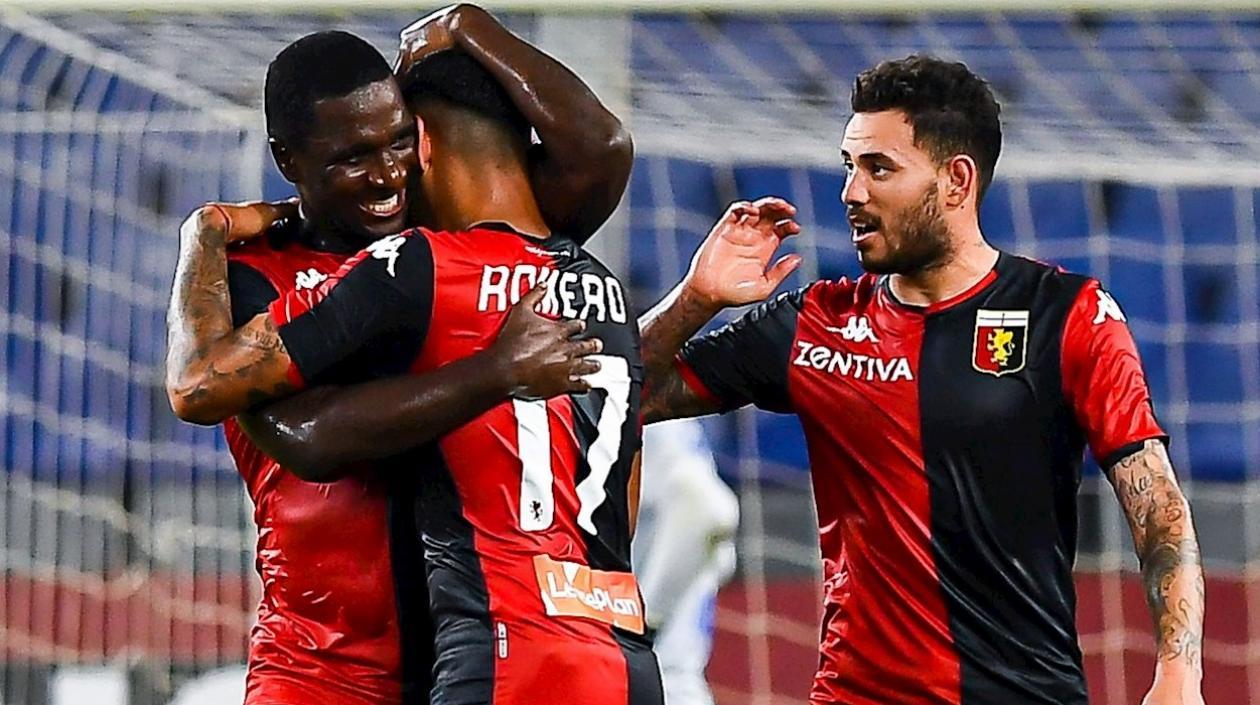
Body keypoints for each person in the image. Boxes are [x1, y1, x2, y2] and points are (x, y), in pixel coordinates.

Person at [637, 56, 1205, 705]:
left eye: (879, 168)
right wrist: (695, 300)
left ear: (956, 180)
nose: (852, 191)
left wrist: (1179, 673)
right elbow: (624, 396)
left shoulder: (1066, 314)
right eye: (849, 165)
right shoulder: (816, 321)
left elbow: (1158, 507)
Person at [165, 47, 696, 705]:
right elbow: (286, 429)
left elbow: (602, 157)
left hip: (467, 654)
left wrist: (466, 23)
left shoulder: (442, 253)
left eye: (398, 143)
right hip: (320, 669)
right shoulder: (255, 277)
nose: (388, 174)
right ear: (288, 160)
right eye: (354, 156)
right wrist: (202, 233)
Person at [632, 419, 738, 705]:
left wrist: (644, 627)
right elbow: (722, 561)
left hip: (652, 683)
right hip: (670, 681)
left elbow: (708, 509)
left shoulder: (653, 421)